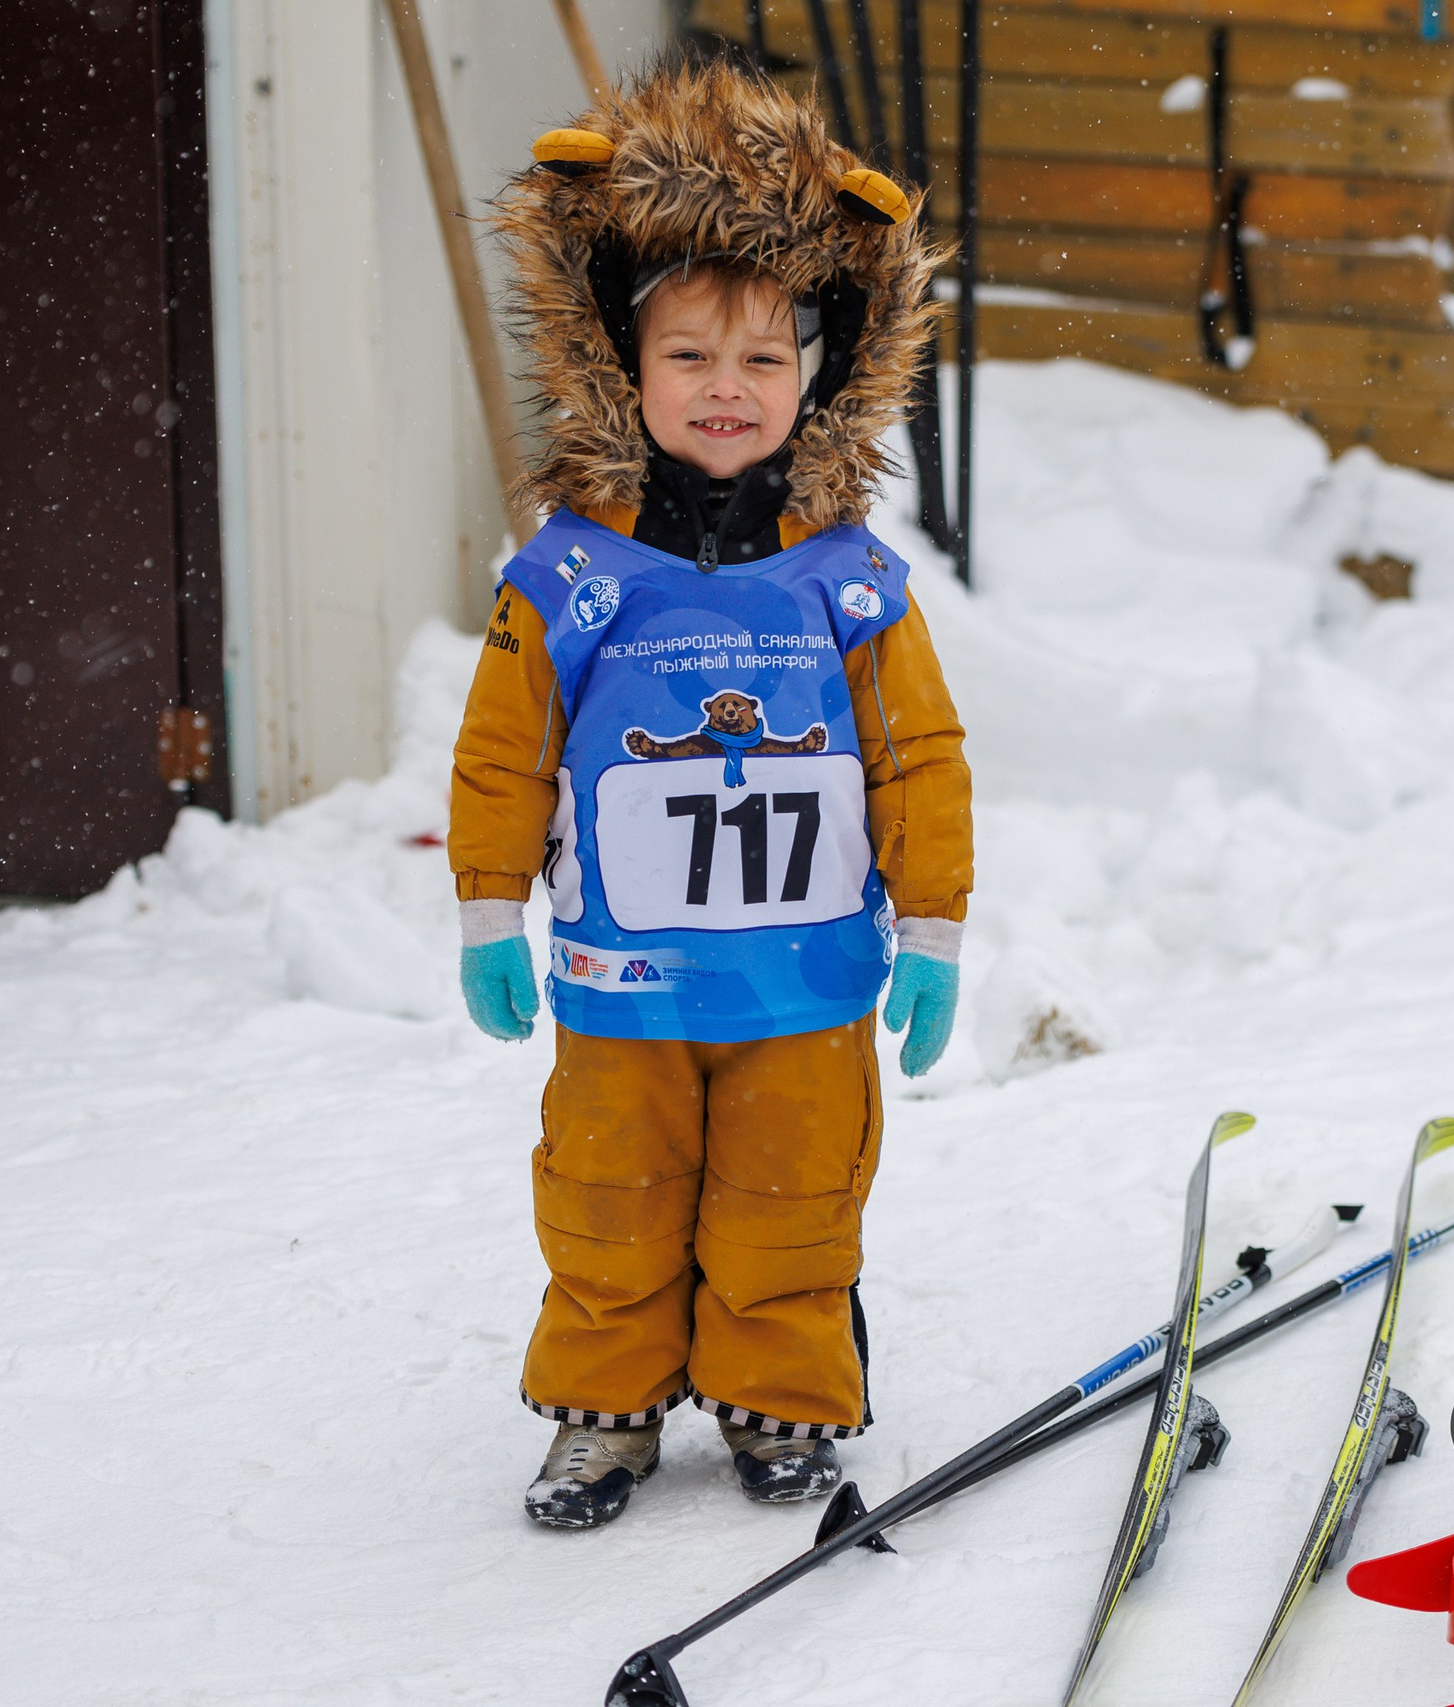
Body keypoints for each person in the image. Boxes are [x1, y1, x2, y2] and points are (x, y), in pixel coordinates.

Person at [447, 57, 972, 1531]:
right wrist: (491, 908)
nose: (726, 392)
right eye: (689, 359)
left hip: (804, 985)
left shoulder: (850, 579)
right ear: (625, 367)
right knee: (608, 1201)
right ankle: (605, 1411)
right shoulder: (571, 573)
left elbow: (917, 759)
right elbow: (504, 752)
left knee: (793, 1205)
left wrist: (931, 930)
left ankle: (778, 1397)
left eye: (761, 361)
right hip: (626, 980)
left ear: (818, 371)